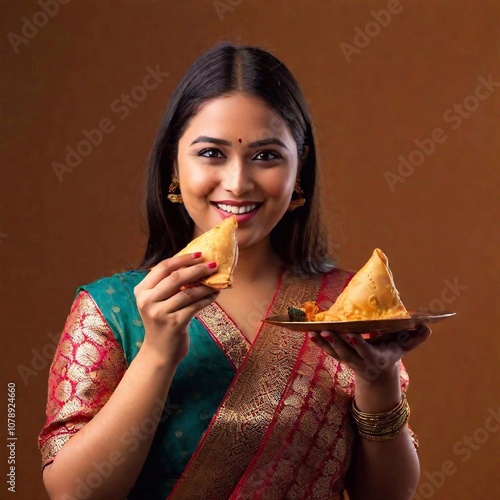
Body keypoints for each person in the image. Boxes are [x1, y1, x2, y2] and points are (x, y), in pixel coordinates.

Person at [38, 42, 431, 499]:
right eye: (211, 153)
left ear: (299, 168)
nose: (238, 182)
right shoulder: (113, 310)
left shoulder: (344, 309)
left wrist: (378, 379)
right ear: (173, 163)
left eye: (266, 156)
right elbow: (74, 493)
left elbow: (388, 494)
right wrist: (158, 352)